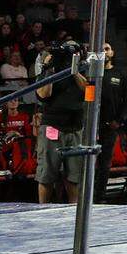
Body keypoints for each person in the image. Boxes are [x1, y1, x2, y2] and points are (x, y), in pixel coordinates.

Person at [35, 42, 88, 203]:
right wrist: (50, 69)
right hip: (53, 126)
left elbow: (89, 91)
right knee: (47, 174)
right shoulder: (48, 69)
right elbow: (43, 95)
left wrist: (74, 71)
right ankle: (42, 208)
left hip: (75, 127)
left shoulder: (84, 68)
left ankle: (74, 210)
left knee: (74, 175)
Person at [94, 42, 127, 203]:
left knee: (105, 163)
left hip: (110, 126)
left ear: (112, 53)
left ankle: (100, 196)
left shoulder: (119, 74)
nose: (104, 51)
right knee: (87, 162)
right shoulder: (91, 73)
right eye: (101, 49)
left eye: (107, 48)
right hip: (91, 126)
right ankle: (85, 195)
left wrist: (118, 121)